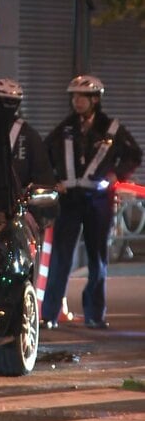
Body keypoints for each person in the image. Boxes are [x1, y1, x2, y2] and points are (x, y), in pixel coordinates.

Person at [42, 75, 142, 329]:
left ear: (95, 99)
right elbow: (44, 156)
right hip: (70, 200)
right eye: (73, 97)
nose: (76, 101)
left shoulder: (111, 128)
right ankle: (49, 315)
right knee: (61, 258)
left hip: (99, 200)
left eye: (81, 97)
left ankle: (94, 315)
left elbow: (134, 154)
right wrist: (54, 180)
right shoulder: (64, 128)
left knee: (98, 259)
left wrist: (116, 175)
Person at [0, 78, 55, 189]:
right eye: (4, 100)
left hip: (16, 200)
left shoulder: (28, 135)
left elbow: (43, 178)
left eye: (11, 101)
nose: (7, 106)